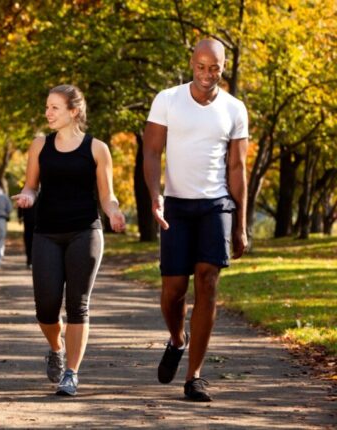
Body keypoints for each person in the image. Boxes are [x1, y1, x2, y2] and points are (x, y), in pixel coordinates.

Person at [142, 39, 249, 402]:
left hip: (215, 205)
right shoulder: (167, 99)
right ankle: (177, 339)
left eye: (214, 68)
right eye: (201, 66)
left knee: (207, 281)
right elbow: (152, 151)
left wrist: (241, 225)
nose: (207, 74)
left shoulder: (235, 109)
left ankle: (195, 376)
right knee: (173, 292)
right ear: (192, 63)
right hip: (176, 204)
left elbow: (237, 168)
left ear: (223, 67)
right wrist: (155, 195)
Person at [12, 84, 126, 396]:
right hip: (47, 232)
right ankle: (56, 346)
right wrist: (26, 196)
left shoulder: (97, 149)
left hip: (85, 232)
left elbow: (107, 195)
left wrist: (114, 213)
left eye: (54, 108)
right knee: (46, 308)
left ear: (73, 111)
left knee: (78, 305)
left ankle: (71, 374)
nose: (47, 113)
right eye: (47, 107)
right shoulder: (39, 145)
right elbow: (32, 186)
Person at [17, 204, 35, 269]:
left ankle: (30, 260)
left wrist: (19, 216)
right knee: (31, 241)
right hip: (35, 220)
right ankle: (31, 260)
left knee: (29, 240)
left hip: (29, 219)